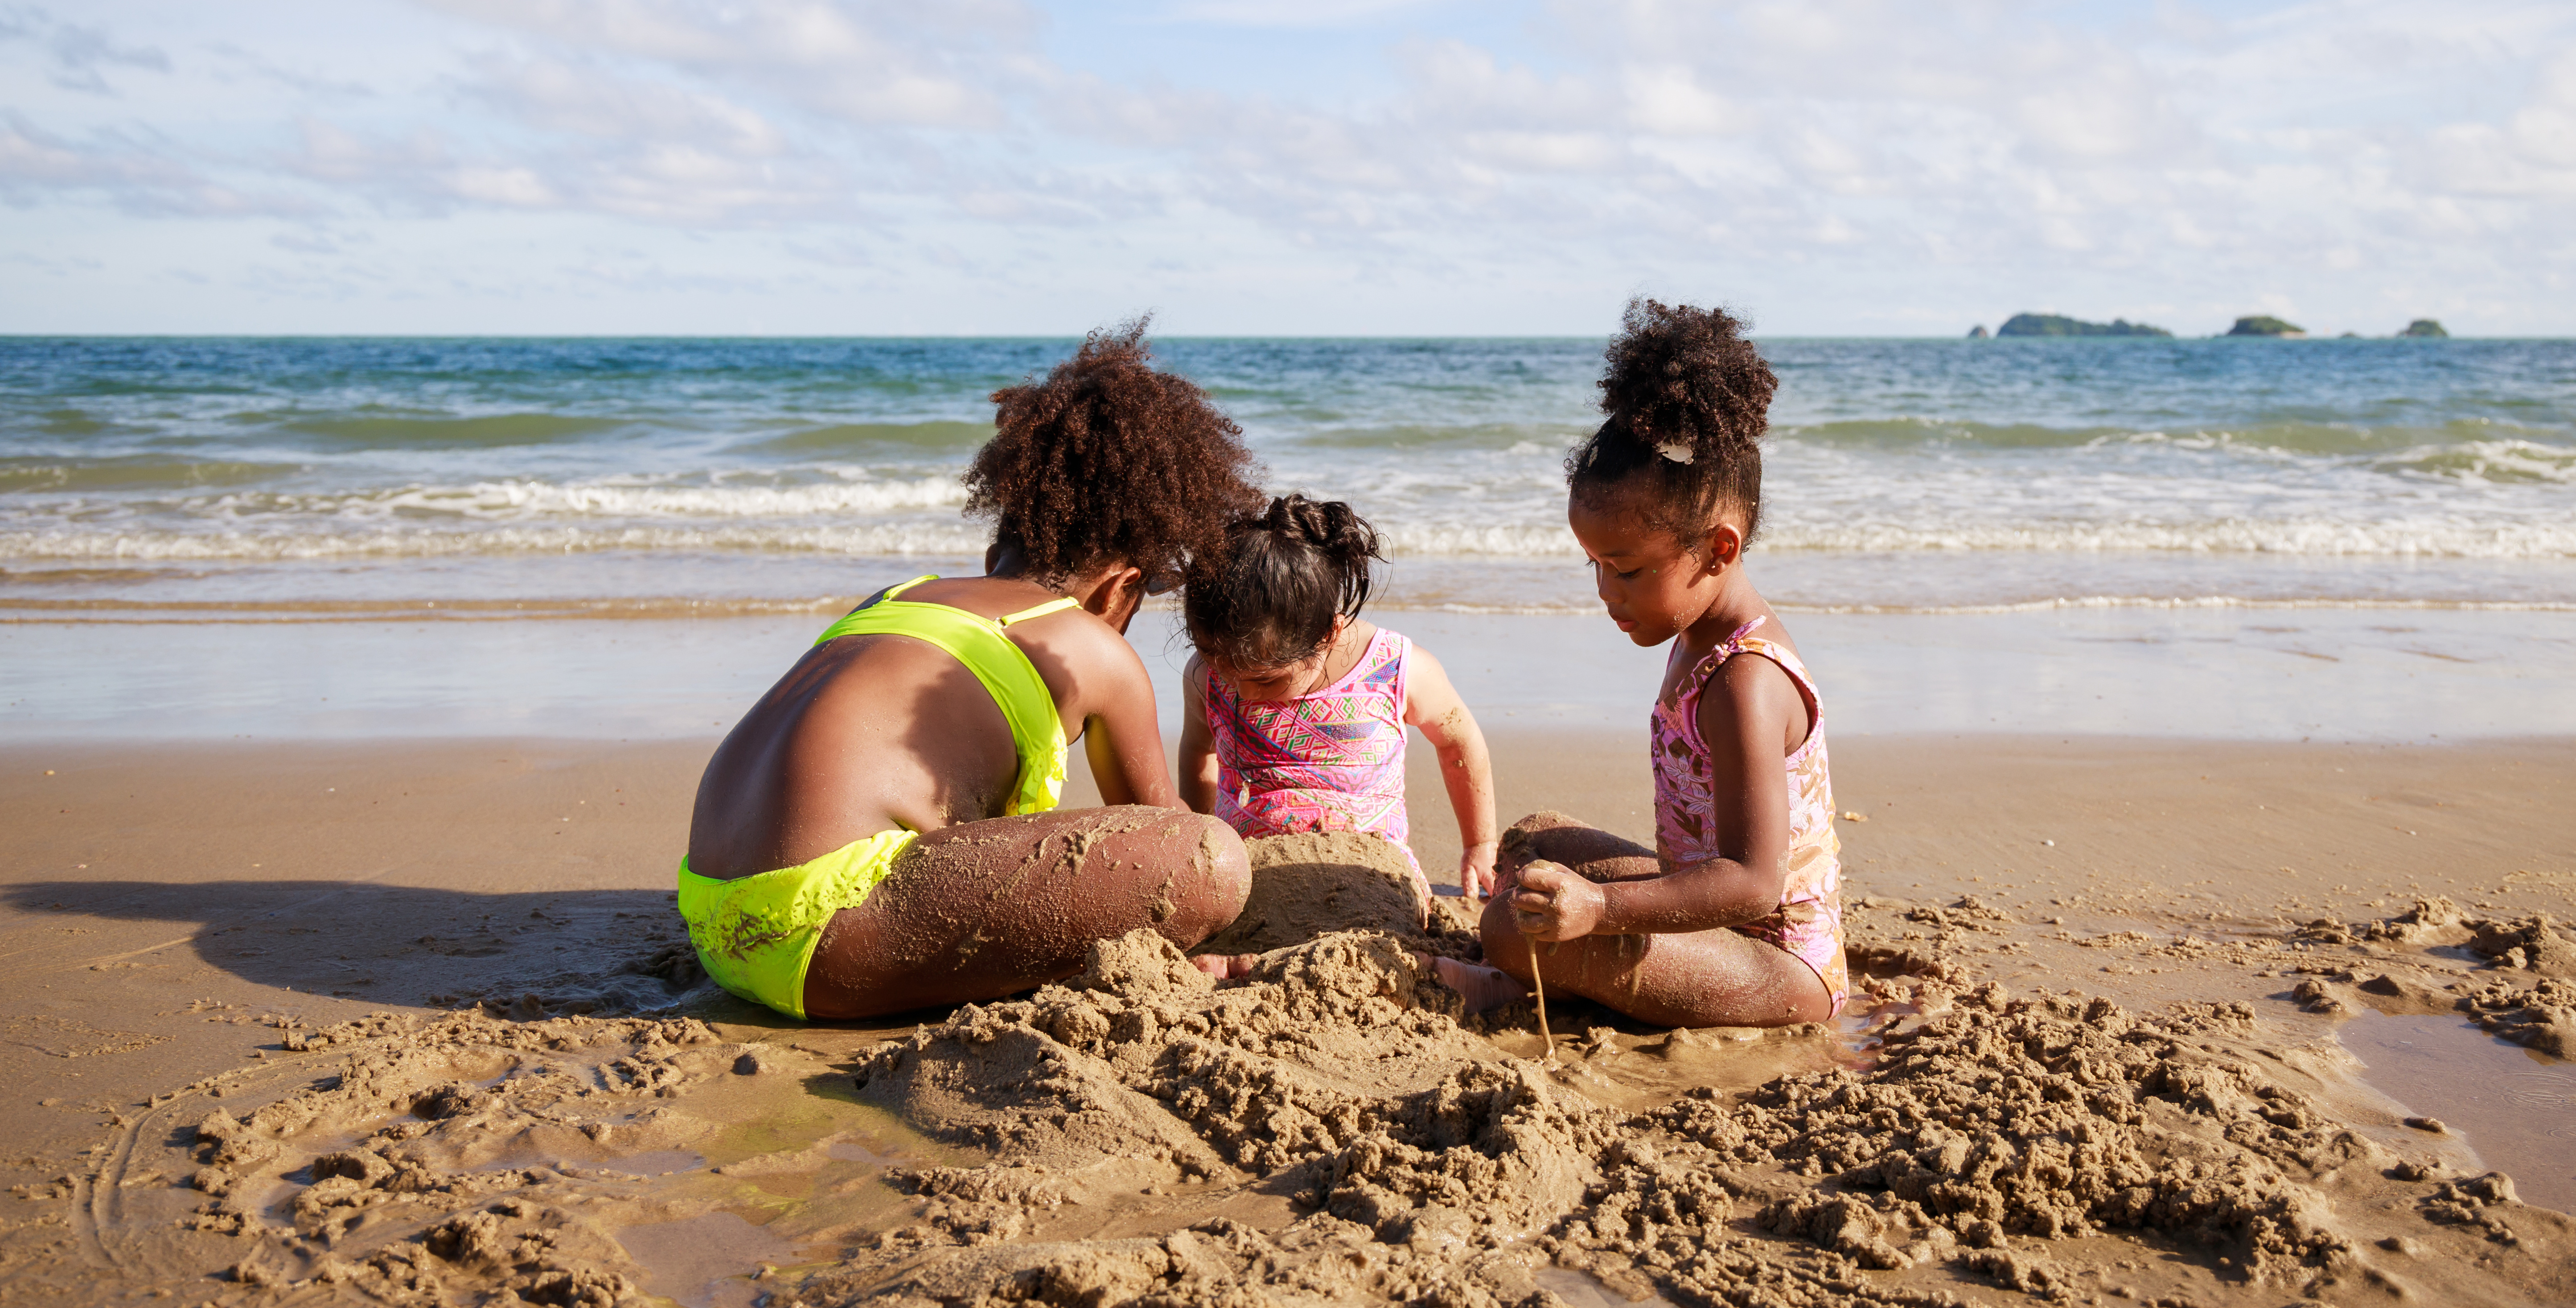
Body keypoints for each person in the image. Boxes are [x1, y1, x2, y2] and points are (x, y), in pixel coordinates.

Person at [679, 321, 1257, 1019]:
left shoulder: (897, 597)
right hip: (828, 945)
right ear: (1118, 589)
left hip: (712, 916)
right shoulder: (1097, 648)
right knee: (1213, 861)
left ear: (993, 557)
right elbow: (1164, 830)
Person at [1480, 299, 1845, 1027]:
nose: (1606, 594)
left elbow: (1751, 884)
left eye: (1626, 570)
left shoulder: (1746, 684)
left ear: (1718, 549)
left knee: (1507, 929)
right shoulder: (1692, 630)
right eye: (1594, 567)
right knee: (1534, 841)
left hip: (1778, 965)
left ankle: (1518, 981)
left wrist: (1603, 907)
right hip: (1709, 923)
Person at [1176, 495, 1501, 902]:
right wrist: (1200, 843)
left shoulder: (1396, 668)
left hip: (1368, 871)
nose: (1240, 691)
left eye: (1266, 679)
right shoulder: (1206, 674)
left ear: (1328, 635)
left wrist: (1479, 844)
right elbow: (1197, 750)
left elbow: (1458, 742)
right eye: (1219, 665)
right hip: (1247, 871)